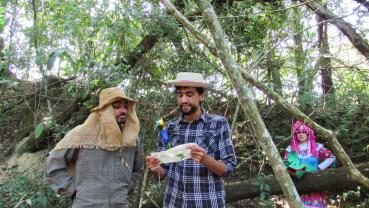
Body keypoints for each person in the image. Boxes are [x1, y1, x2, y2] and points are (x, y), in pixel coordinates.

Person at [146, 72, 237, 208]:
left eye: (189, 94)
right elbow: (163, 174)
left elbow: (228, 169)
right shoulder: (167, 128)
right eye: (179, 94)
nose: (183, 100)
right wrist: (155, 168)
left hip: (207, 203)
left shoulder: (218, 123)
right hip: (173, 202)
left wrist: (205, 159)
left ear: (201, 96)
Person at [45, 87, 144, 208]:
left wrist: (126, 187)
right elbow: (53, 166)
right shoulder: (81, 135)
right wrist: (74, 191)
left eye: (126, 106)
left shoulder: (132, 139)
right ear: (104, 109)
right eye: (116, 106)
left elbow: (138, 169)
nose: (123, 110)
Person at [284, 120, 336, 208]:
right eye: (298, 132)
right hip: (298, 185)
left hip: (315, 185)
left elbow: (331, 157)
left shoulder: (316, 147)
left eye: (303, 132)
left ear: (308, 133)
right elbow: (285, 165)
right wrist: (297, 171)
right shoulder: (290, 149)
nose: (300, 134)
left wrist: (319, 167)